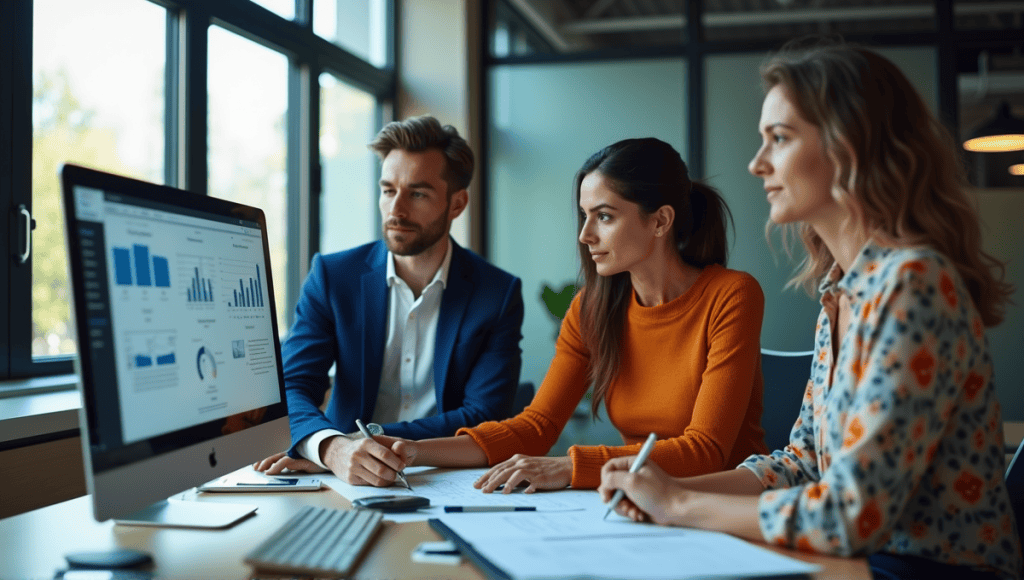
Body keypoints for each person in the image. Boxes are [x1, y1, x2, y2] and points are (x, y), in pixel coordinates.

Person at [598, 40, 1022, 580]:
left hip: (927, 570)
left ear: (850, 148)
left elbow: (851, 516)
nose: (756, 164)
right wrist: (666, 489)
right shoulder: (840, 291)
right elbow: (802, 464)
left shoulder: (914, 284)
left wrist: (680, 507)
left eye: (779, 138)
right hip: (860, 563)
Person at [374, 137, 768, 491]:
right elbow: (536, 427)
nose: (585, 235)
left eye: (605, 216)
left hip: (723, 503)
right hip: (639, 501)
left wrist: (567, 466)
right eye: (585, 216)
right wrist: (412, 450)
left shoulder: (731, 294)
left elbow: (706, 451)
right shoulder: (591, 309)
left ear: (661, 220)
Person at [254, 115, 525, 486]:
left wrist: (362, 441)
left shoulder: (497, 293)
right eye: (388, 190)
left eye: (417, 194)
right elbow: (292, 385)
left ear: (457, 203)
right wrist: (331, 448)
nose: (396, 211)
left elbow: (485, 414)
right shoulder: (334, 277)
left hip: (445, 476)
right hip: (341, 474)